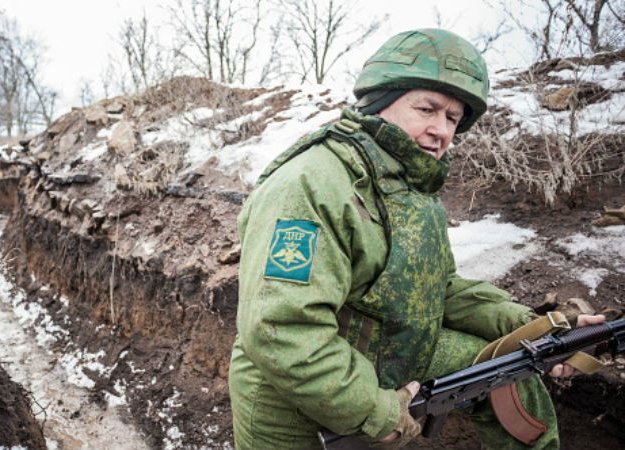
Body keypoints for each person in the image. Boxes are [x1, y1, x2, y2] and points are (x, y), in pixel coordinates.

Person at [228, 28, 605, 450]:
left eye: (453, 119)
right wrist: (373, 411)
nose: (440, 130)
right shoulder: (311, 184)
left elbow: (438, 290)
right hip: (292, 408)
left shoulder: (410, 187)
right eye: (427, 109)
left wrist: (539, 331)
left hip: (384, 355)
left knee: (513, 377)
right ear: (380, 100)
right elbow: (282, 328)